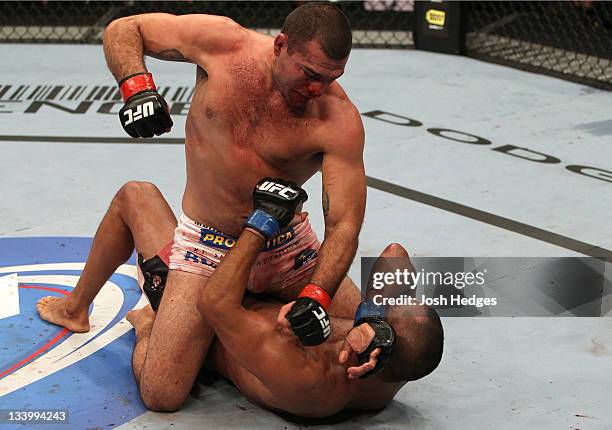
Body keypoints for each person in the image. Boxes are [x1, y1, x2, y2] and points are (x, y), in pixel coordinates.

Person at [38, 2, 366, 410]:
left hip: (285, 247)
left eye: (331, 78)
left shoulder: (338, 120)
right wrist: (136, 86)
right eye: (311, 74)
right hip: (207, 245)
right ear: (281, 45)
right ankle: (147, 320)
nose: (318, 89)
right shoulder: (225, 45)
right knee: (162, 394)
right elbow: (125, 28)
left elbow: (345, 224)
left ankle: (226, 323)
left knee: (373, 332)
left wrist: (318, 294)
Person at [126, 180, 443, 418]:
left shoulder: (309, 377)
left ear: (378, 350)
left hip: (216, 304)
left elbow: (214, 304)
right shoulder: (391, 368)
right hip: (259, 291)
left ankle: (146, 320)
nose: (383, 304)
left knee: (161, 394)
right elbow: (395, 254)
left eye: (386, 312)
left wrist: (261, 225)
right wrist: (372, 313)